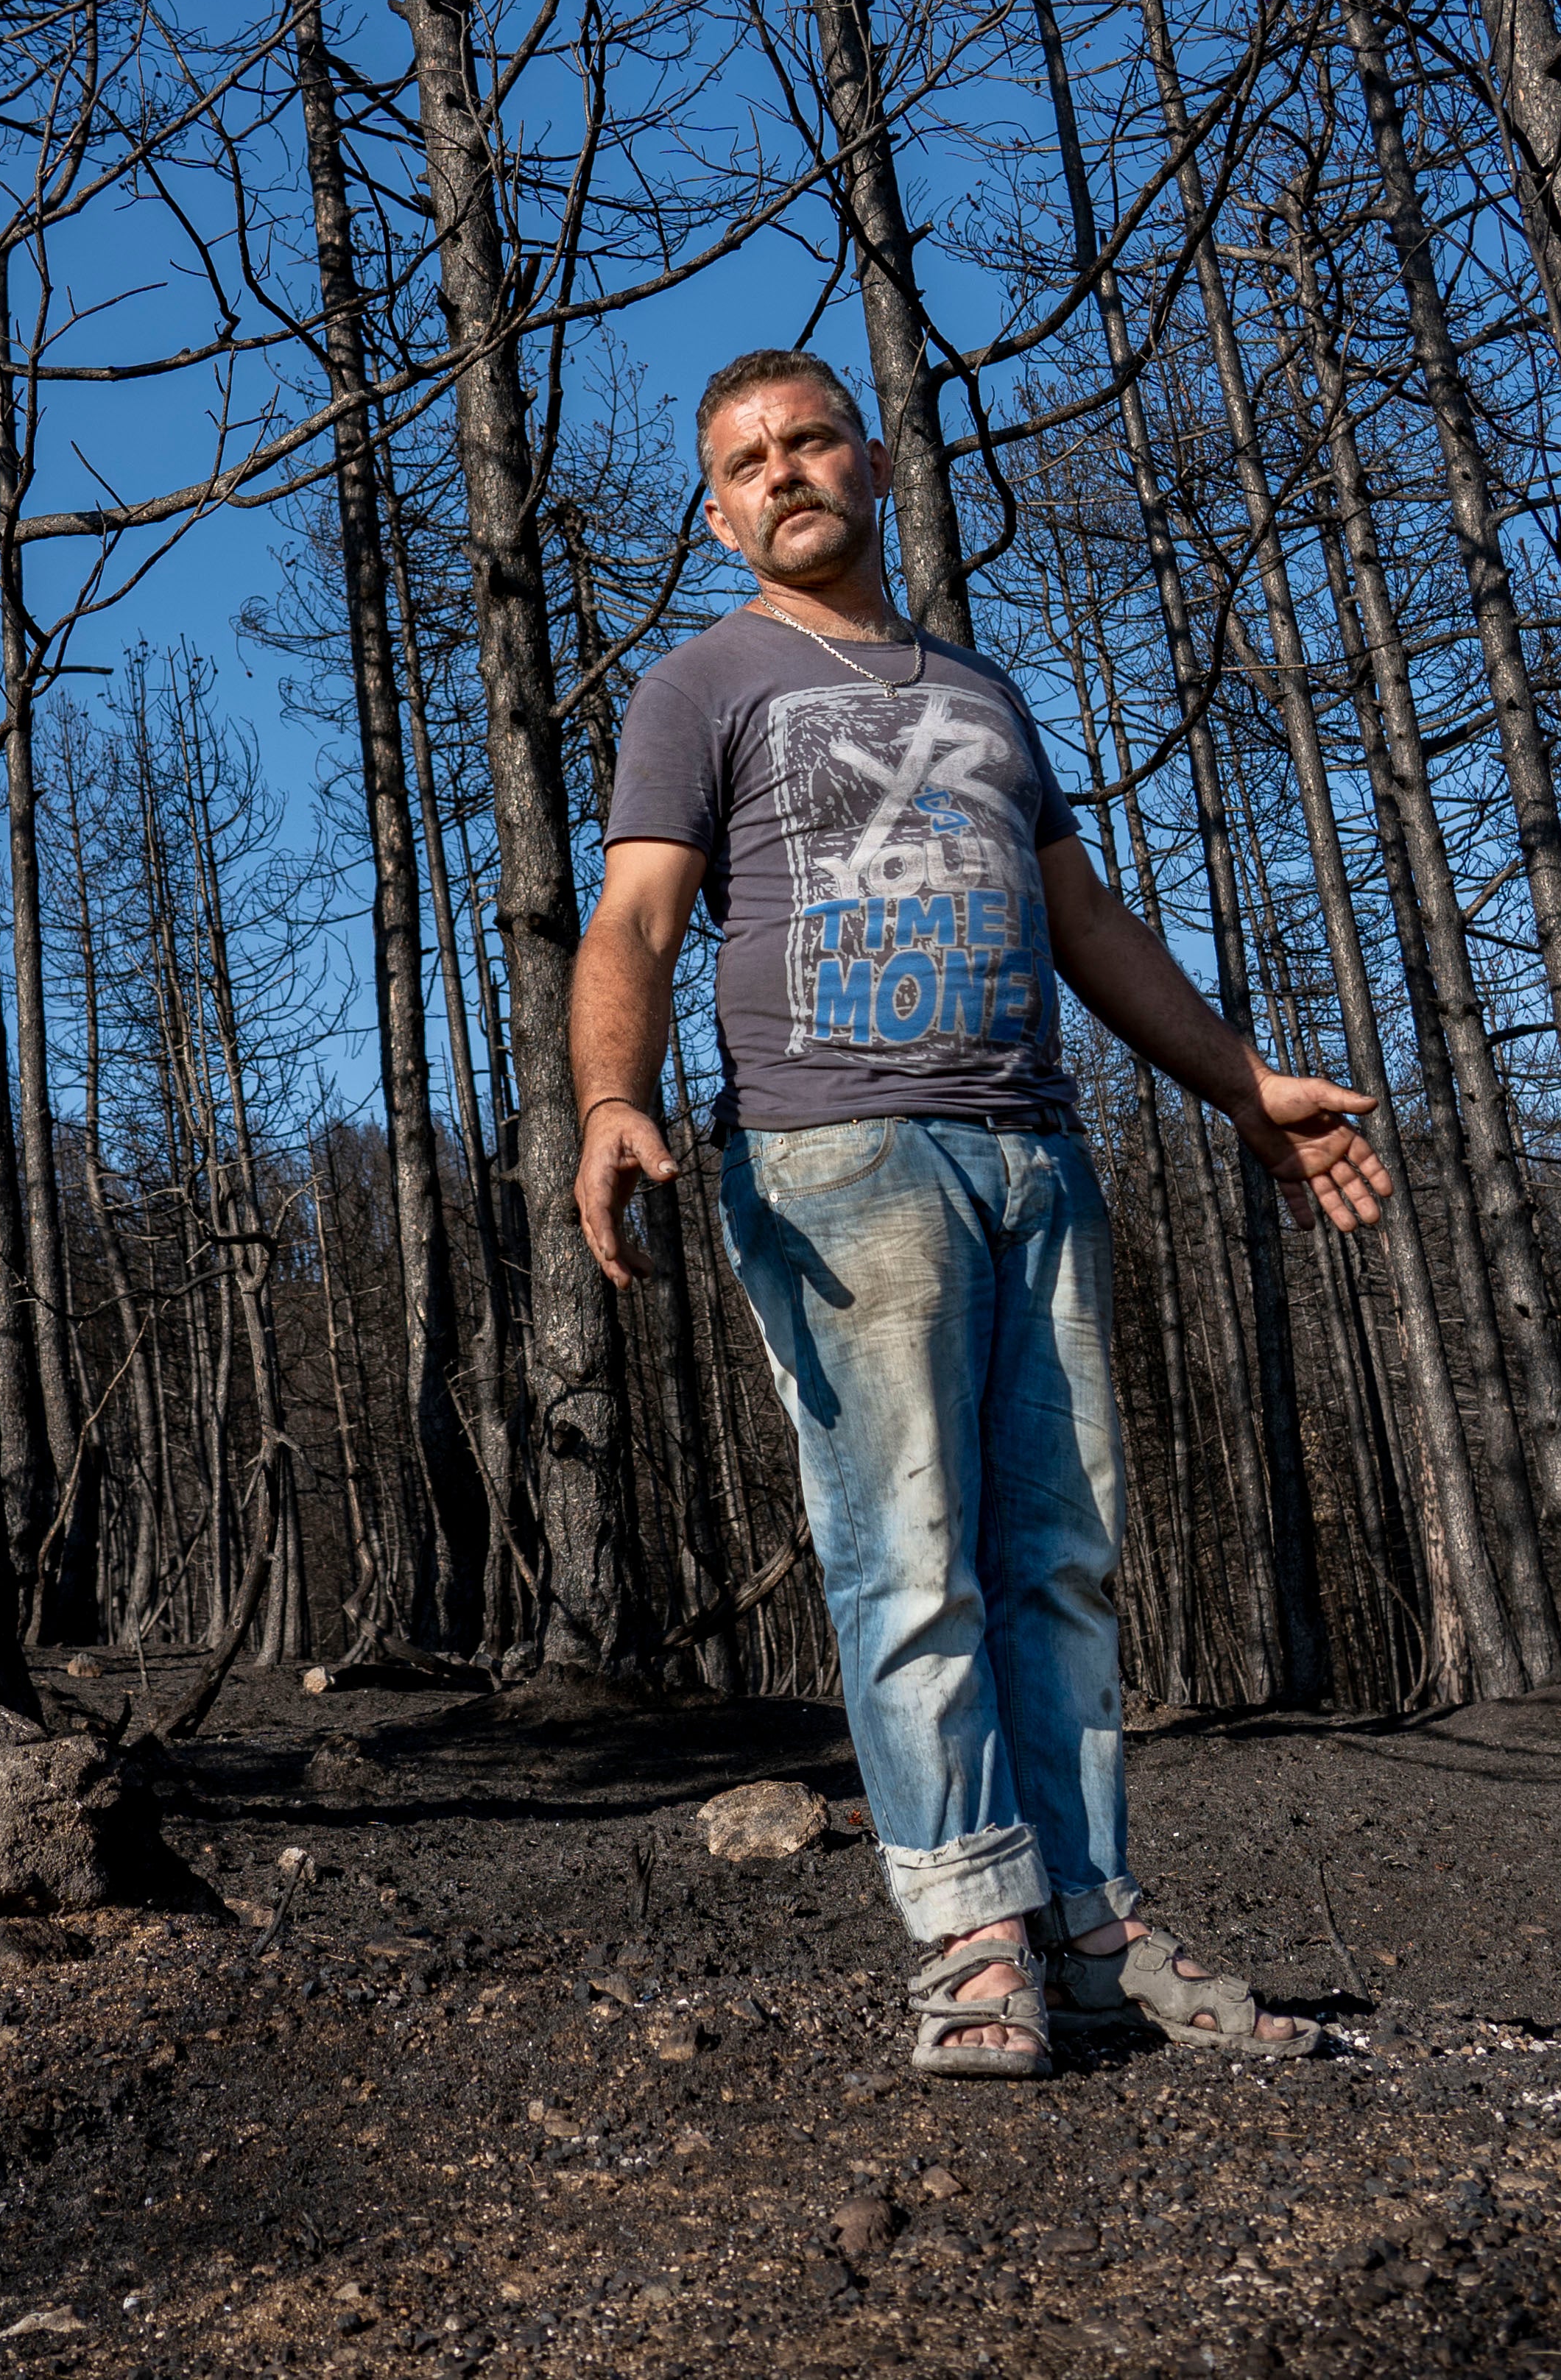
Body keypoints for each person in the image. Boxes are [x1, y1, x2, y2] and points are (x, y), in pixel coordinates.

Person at [570, 347, 1393, 2080]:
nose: (781, 473)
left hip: (1034, 1153)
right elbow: (637, 922)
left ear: (866, 462)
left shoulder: (989, 690)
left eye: (806, 441)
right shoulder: (700, 685)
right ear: (718, 515)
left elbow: (1082, 920)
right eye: (743, 462)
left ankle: (1088, 1922)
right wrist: (611, 1098)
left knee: (1063, 1557)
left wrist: (1243, 1088)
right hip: (835, 1157)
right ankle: (970, 1935)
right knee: (910, 1552)